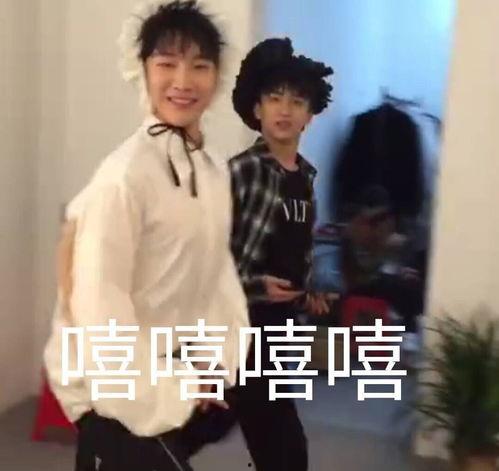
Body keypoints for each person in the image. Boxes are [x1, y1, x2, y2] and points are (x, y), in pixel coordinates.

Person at [44, 1, 248, 470]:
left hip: (171, 367)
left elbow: (216, 275)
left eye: (200, 66)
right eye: (167, 64)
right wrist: (161, 393)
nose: (183, 81)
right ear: (142, 69)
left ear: (218, 77)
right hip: (109, 381)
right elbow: (100, 305)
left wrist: (214, 363)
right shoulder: (124, 177)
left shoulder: (213, 170)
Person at [227, 37, 334, 471]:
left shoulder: (305, 177)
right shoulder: (243, 171)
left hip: (278, 325)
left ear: (310, 115)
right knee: (282, 445)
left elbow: (293, 251)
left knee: (263, 434)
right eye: (274, 98)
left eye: (297, 101)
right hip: (242, 322)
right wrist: (257, 286)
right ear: (257, 108)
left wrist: (307, 294)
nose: (285, 110)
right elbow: (210, 261)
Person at [340, 185, 423, 336]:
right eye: (373, 220)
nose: (378, 224)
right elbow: (358, 275)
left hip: (391, 292)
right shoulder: (355, 232)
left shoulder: (403, 231)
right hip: (364, 293)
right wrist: (381, 250)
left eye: (381, 218)